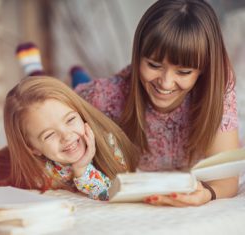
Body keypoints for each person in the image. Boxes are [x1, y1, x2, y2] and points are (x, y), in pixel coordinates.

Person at [74, 0, 240, 206]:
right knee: (75, 92)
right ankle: (77, 77)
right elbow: (52, 107)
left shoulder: (217, 89)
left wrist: (206, 193)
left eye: (184, 71)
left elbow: (227, 179)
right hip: (91, 94)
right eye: (153, 65)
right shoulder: (109, 94)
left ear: (204, 69)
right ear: (137, 56)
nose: (166, 82)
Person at [0, 76, 138, 201]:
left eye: (70, 120)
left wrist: (83, 171)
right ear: (32, 148)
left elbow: (112, 193)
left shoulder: (109, 141)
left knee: (86, 89)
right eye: (49, 135)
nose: (66, 136)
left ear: (80, 113)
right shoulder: (40, 171)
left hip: (93, 97)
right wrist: (80, 167)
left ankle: (77, 75)